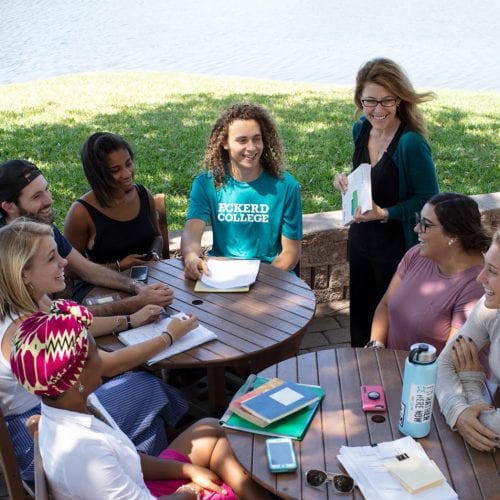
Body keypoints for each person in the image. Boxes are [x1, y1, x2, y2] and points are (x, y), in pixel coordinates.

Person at [0, 219, 198, 482]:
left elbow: (76, 327)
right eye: (51, 258)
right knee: (147, 386)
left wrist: (130, 320)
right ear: (23, 273)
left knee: (151, 426)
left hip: (50, 413)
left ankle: (155, 468)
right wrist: (170, 336)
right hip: (40, 438)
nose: (64, 262)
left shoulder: (29, 300)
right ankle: (170, 464)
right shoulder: (26, 328)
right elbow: (109, 364)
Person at [10, 301, 270, 499]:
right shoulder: (84, 452)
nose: (103, 362)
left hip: (136, 484)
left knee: (211, 428)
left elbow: (128, 457)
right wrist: (190, 491)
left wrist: (186, 471)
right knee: (229, 482)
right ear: (75, 378)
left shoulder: (75, 402)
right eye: (95, 356)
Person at [333, 58, 439, 347]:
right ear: (359, 100)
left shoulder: (411, 143)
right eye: (370, 101)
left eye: (386, 101)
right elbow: (366, 177)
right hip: (360, 241)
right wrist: (344, 181)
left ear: (400, 99)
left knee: (391, 326)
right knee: (361, 322)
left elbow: (429, 200)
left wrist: (386, 213)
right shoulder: (361, 130)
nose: (377, 110)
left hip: (396, 249)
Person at [0, 159, 173, 315]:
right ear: (8, 206)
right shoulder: (7, 249)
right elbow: (59, 320)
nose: (49, 200)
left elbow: (87, 269)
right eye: (37, 196)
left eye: (46, 190)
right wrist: (134, 304)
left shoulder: (40, 227)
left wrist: (137, 286)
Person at [181, 103, 302, 280]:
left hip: (272, 277)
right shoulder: (206, 184)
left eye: (257, 138)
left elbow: (290, 254)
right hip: (222, 277)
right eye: (242, 140)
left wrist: (254, 282)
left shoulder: (286, 186)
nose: (251, 147)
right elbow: (191, 234)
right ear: (224, 143)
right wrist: (191, 258)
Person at [366, 193, 489, 354]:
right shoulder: (416, 254)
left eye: (426, 224)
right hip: (390, 367)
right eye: (419, 220)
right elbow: (385, 305)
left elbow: (453, 359)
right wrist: (376, 348)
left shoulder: (477, 286)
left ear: (454, 234)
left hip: (429, 377)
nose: (416, 228)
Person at [64, 132, 163, 302]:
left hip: (146, 282)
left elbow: (157, 236)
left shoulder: (142, 194)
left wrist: (153, 255)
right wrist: (119, 266)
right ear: (98, 174)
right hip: (99, 290)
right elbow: (71, 270)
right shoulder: (81, 212)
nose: (126, 174)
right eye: (115, 170)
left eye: (128, 164)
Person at [436, 229, 500, 452]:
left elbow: (494, 431)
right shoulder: (490, 307)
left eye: (492, 271)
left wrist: (471, 386)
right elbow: (444, 363)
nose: (479, 278)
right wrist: (458, 411)